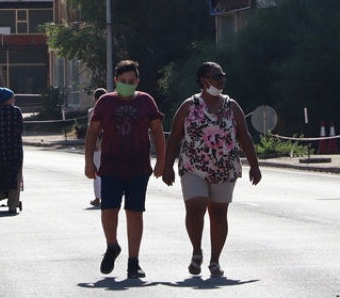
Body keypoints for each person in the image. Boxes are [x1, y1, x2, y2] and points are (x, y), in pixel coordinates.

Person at [163, 62, 261, 278]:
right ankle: (197, 251)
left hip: (225, 168)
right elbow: (176, 136)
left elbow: (244, 136)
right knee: (196, 206)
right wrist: (166, 166)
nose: (221, 79)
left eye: (223, 75)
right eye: (216, 76)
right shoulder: (189, 106)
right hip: (193, 166)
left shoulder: (231, 106)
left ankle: (215, 260)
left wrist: (254, 165)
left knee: (218, 213)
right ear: (203, 80)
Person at [84, 61, 165, 279]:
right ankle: (112, 246)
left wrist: (161, 161)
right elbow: (92, 132)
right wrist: (89, 162)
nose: (127, 85)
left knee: (134, 212)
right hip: (110, 165)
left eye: (131, 82)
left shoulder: (145, 101)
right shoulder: (105, 102)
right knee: (108, 210)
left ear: (137, 82)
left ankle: (133, 262)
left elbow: (157, 131)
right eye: (123, 82)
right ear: (115, 81)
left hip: (138, 166)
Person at [0, 87, 24, 213]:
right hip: (14, 149)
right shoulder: (16, 111)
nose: (14, 99)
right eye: (12, 97)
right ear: (8, 99)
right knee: (14, 175)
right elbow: (20, 130)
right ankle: (13, 204)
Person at [88, 87, 107, 208]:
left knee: (97, 173)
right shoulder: (111, 109)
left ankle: (98, 198)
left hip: (97, 145)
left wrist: (93, 144)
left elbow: (91, 130)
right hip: (109, 144)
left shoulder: (93, 111)